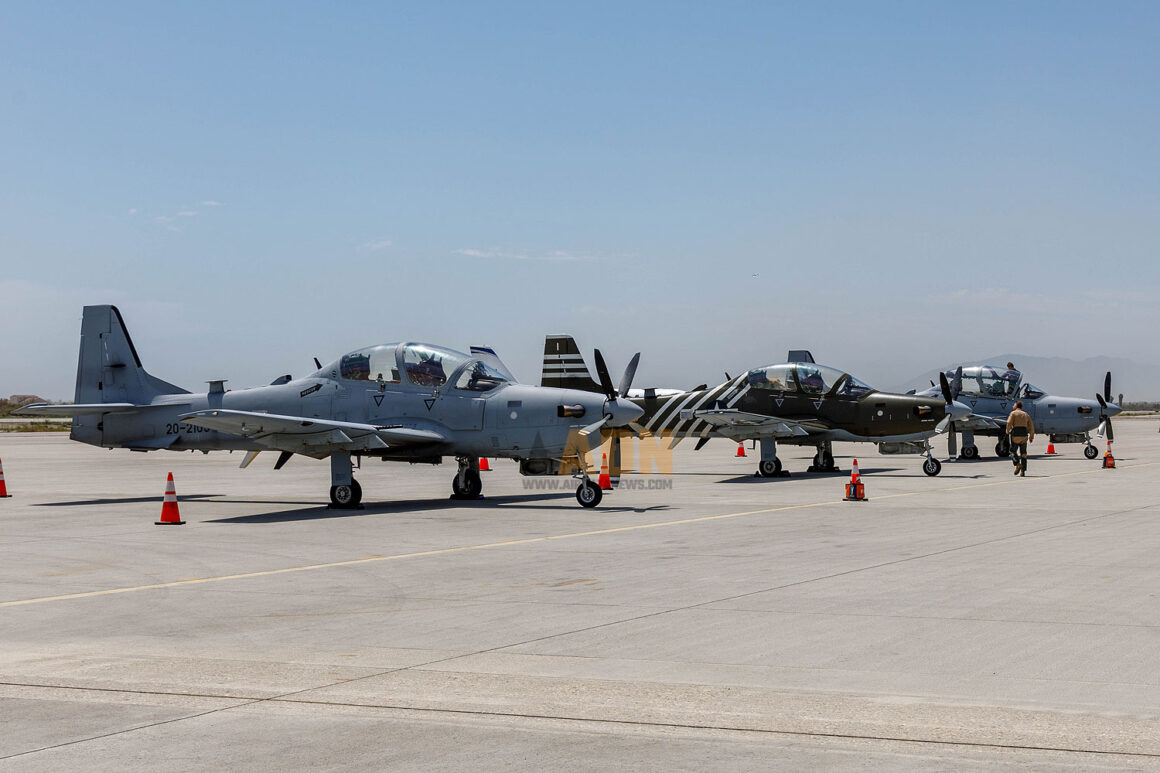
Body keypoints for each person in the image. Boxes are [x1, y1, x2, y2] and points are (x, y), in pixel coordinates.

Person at [1006, 400, 1035, 476]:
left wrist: (1007, 431)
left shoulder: (1013, 413)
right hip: (1024, 436)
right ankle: (1023, 471)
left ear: (1016, 406)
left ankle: (1017, 464)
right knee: (1023, 454)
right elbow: (1031, 426)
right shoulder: (1026, 414)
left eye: (1013, 405)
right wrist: (1031, 437)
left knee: (1012, 452)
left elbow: (1009, 423)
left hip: (1015, 435)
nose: (1013, 406)